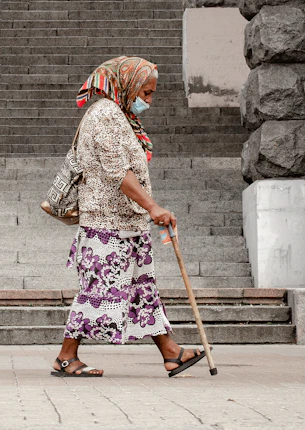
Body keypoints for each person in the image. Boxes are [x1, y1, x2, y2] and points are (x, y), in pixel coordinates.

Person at [51, 56, 208, 378]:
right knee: (99, 291)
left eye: (151, 94)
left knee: (141, 291)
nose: (148, 101)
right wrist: (153, 207)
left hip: (127, 225)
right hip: (106, 225)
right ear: (127, 86)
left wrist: (146, 211)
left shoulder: (120, 117)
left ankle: (171, 353)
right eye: (145, 93)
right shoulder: (106, 115)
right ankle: (66, 357)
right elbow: (117, 171)